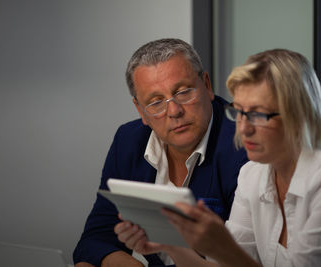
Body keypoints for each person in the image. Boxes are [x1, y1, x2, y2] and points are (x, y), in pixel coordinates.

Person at [115, 49, 321, 267]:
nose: (244, 128)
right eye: (240, 112)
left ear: (299, 114)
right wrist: (169, 243)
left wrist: (220, 245)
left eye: (258, 114)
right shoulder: (253, 173)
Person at [73, 38, 248, 267]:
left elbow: (239, 259)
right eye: (156, 102)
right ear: (140, 111)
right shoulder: (128, 141)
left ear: (207, 85)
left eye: (184, 92)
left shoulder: (245, 143)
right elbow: (96, 237)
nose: (174, 111)